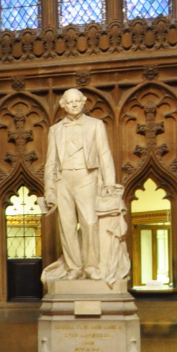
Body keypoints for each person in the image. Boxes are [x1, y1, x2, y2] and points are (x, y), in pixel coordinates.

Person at [40, 88, 121, 286]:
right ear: (63, 105)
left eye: (78, 101)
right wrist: (49, 189)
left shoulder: (96, 125)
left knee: (90, 222)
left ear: (83, 102)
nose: (75, 105)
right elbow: (50, 162)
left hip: (87, 177)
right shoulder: (55, 130)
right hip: (63, 180)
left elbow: (104, 154)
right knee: (66, 226)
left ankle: (91, 267)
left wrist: (109, 181)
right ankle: (74, 268)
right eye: (70, 102)